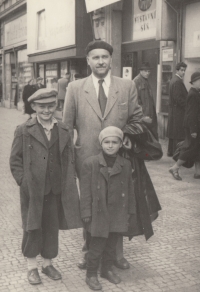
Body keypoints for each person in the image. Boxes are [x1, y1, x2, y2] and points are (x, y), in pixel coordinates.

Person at [62, 40, 161, 270]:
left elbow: (137, 119)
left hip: (120, 158)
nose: (100, 61)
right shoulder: (75, 88)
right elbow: (66, 128)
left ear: (111, 60)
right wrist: (68, 163)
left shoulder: (126, 86)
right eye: (95, 57)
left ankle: (116, 255)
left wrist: (124, 135)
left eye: (104, 57)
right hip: (86, 159)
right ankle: (88, 254)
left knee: (118, 205)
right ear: (88, 60)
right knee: (91, 206)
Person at [10, 88, 82, 285]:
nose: (47, 110)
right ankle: (32, 267)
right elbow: (15, 161)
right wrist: (23, 182)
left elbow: (69, 158)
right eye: (42, 106)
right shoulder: (23, 130)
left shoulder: (65, 129)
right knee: (32, 226)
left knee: (51, 226)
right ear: (33, 107)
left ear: (56, 106)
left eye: (51, 106)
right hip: (32, 191)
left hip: (55, 189)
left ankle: (47, 263)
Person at [80, 126, 136, 290]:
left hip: (118, 212)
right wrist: (86, 212)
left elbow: (130, 190)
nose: (110, 145)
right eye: (107, 142)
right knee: (96, 245)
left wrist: (130, 211)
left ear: (120, 144)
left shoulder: (125, 164)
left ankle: (106, 270)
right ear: (101, 144)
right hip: (98, 213)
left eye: (114, 142)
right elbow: (85, 193)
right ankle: (91, 274)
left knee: (112, 244)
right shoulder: (90, 164)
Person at [169, 72, 200, 180]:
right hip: (192, 126)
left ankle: (197, 172)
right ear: (194, 82)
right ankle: (175, 167)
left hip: (194, 126)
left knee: (197, 148)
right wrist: (193, 130)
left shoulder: (196, 92)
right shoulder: (193, 94)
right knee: (190, 148)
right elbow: (191, 114)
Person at [133, 62, 158, 139]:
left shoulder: (145, 80)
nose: (147, 73)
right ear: (140, 71)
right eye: (145, 71)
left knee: (151, 137)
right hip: (144, 116)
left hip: (149, 114)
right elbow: (135, 102)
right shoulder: (136, 81)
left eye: (149, 71)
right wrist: (143, 116)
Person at [167, 62, 188, 156]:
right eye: (182, 70)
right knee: (178, 133)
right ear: (177, 70)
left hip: (174, 111)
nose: (183, 72)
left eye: (184, 70)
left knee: (174, 133)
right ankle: (177, 154)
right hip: (178, 112)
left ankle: (171, 151)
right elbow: (178, 98)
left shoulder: (174, 80)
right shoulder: (177, 81)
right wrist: (187, 106)